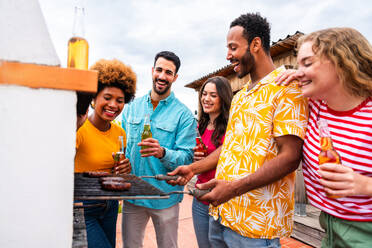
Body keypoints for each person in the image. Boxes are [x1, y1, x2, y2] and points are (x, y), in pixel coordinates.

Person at [168, 13, 308, 247]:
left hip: (255, 227)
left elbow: (290, 158)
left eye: (233, 47)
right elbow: (229, 148)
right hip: (221, 214)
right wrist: (193, 168)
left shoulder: (286, 87)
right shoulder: (241, 96)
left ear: (255, 44)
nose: (228, 55)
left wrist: (231, 189)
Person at [275, 27, 372, 248]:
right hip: (328, 224)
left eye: (307, 63)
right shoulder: (317, 106)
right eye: (297, 65)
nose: (299, 72)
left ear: (343, 61)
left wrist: (365, 185)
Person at [121, 51, 196, 248]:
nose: (162, 76)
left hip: (166, 197)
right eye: (160, 70)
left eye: (168, 72)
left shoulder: (184, 115)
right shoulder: (131, 107)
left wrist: (163, 153)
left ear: (175, 77)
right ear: (152, 71)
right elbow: (120, 144)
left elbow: (187, 158)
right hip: (134, 194)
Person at [75, 58, 137, 248]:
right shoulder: (79, 128)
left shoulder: (120, 133)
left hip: (110, 206)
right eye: (107, 97)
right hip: (83, 206)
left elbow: (118, 172)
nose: (113, 105)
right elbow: (57, 164)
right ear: (94, 98)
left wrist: (125, 168)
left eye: (120, 101)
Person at [192, 76, 233, 248]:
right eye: (204, 94)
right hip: (200, 197)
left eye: (213, 95)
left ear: (223, 98)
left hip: (222, 199)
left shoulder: (232, 126)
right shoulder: (199, 126)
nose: (206, 99)